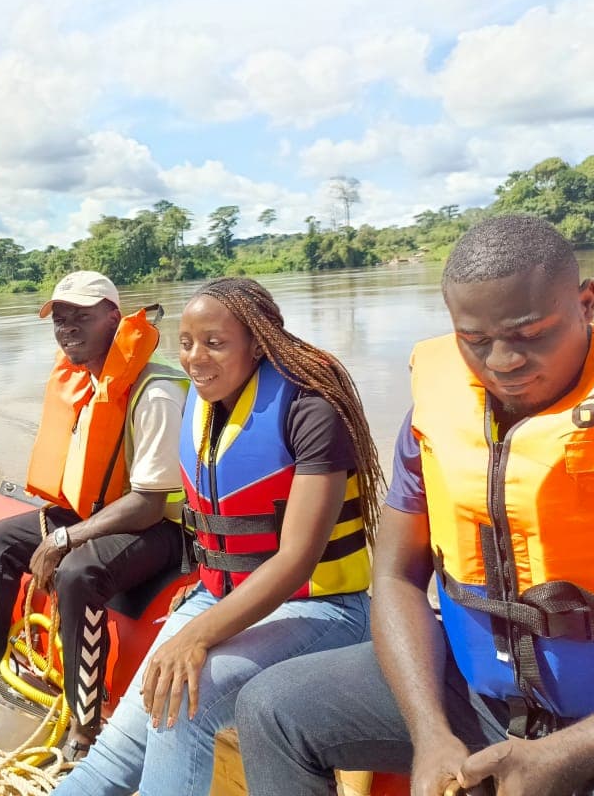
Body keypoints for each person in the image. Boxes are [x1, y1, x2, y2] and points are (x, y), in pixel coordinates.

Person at [236, 214, 594, 796]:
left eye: (530, 334)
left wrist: (565, 756)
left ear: (587, 303)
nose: (502, 361)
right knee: (273, 708)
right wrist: (430, 731)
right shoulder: (433, 421)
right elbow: (398, 576)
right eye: (474, 341)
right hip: (478, 700)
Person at [52, 276, 383, 796]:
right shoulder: (200, 407)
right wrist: (201, 602)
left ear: (257, 342)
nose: (195, 358)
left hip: (323, 609)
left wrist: (197, 635)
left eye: (215, 343)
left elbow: (297, 559)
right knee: (117, 748)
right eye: (185, 343)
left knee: (184, 704)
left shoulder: (310, 410)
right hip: (219, 594)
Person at [0, 270, 189, 760]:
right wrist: (68, 529)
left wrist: (65, 540)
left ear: (113, 317)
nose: (66, 329)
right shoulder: (86, 382)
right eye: (60, 319)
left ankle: (84, 730)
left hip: (161, 529)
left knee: (79, 573)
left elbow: (148, 503)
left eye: (80, 317)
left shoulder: (155, 389)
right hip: (101, 513)